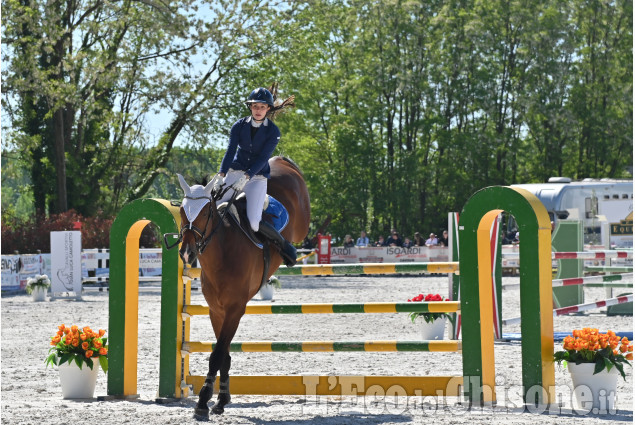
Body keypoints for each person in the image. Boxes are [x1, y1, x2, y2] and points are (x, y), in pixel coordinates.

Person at [213, 85, 297, 266]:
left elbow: (263, 158)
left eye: (262, 107)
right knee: (214, 208)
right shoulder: (238, 126)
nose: (258, 110)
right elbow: (230, 152)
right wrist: (221, 174)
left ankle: (283, 245)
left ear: (268, 109)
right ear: (250, 107)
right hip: (235, 173)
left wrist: (248, 176)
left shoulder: (273, 132)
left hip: (257, 178)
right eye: (255, 106)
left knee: (254, 223)